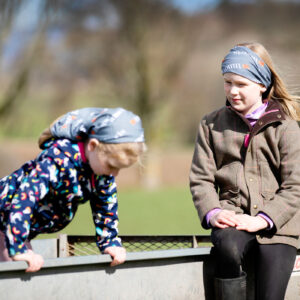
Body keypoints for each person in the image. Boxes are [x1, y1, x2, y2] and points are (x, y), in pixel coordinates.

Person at [189, 42, 300, 300]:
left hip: (278, 227)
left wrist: (262, 219)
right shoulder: (210, 124)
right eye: (228, 83)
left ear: (262, 85)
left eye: (241, 84)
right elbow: (200, 179)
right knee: (226, 247)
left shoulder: (286, 127)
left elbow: (295, 185)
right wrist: (214, 212)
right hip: (233, 217)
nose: (232, 91)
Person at [0, 107, 146, 272]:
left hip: (13, 228)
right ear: (92, 146)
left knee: (25, 270)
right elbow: (26, 197)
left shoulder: (101, 173)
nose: (115, 173)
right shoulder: (59, 159)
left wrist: (110, 243)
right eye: (112, 166)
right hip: (6, 219)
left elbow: (105, 206)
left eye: (120, 168)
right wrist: (18, 248)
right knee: (19, 270)